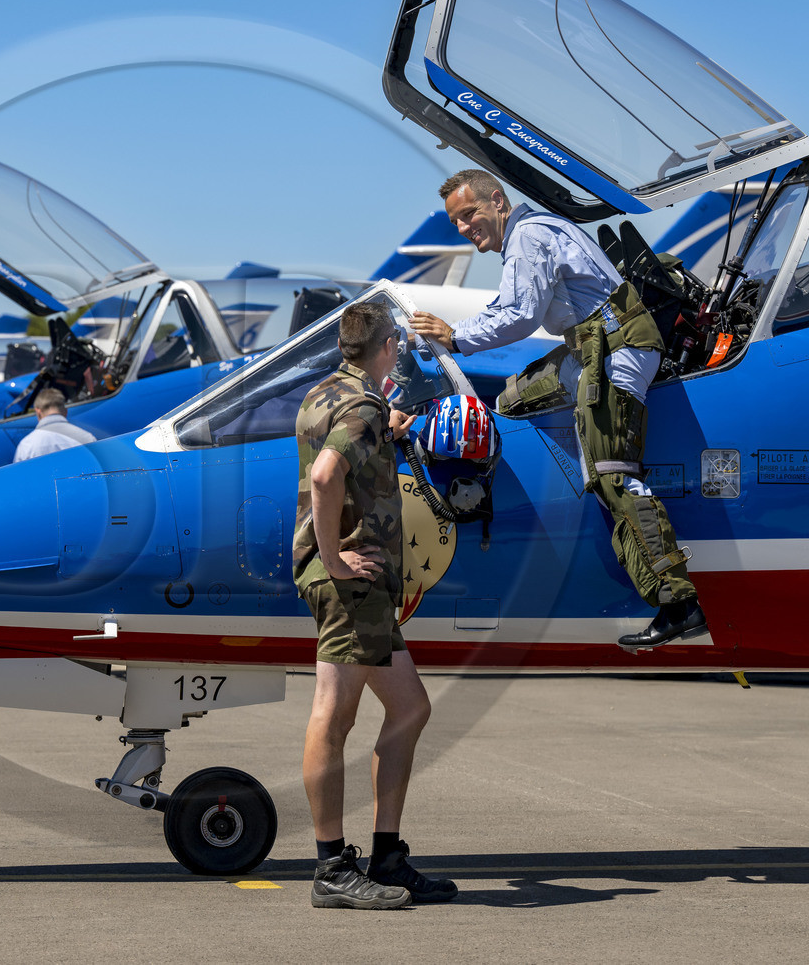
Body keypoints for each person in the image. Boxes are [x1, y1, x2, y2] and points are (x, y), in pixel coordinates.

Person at [409, 169, 706, 649]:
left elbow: (522, 316)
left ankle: (678, 603)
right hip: (591, 344)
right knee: (509, 399)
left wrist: (456, 336)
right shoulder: (532, 234)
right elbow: (510, 306)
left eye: (470, 214)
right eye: (456, 221)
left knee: (612, 472)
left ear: (498, 202)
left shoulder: (528, 237)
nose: (464, 227)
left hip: (617, 347)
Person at [294, 302, 457, 909]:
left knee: (410, 708)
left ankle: (387, 856)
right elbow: (327, 475)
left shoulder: (326, 394)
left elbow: (334, 453)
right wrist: (333, 557)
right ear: (388, 344)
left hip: (364, 588)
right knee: (333, 717)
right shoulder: (360, 407)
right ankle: (331, 868)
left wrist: (385, 426)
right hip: (350, 583)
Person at [13, 388, 95, 461]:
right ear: (65, 412)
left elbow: (18, 477)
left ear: (38, 412)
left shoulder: (26, 446)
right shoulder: (87, 438)